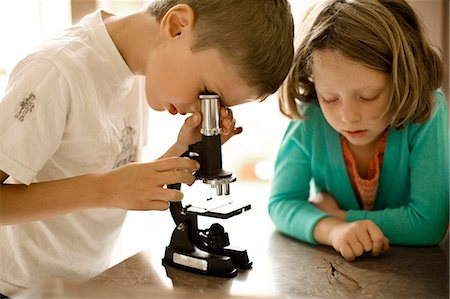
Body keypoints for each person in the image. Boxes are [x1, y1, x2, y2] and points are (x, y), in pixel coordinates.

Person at [0, 0, 294, 296]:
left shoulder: (140, 69)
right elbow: (108, 185)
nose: (199, 108)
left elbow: (115, 177)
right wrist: (104, 189)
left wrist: (183, 147)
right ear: (177, 25)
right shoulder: (57, 70)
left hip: (82, 284)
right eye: (206, 92)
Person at [269, 0, 448, 262]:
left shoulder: (428, 112)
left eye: (368, 96)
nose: (348, 117)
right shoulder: (310, 118)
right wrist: (333, 231)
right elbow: (281, 203)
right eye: (330, 98)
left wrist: (338, 215)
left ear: (402, 80)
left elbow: (428, 224)